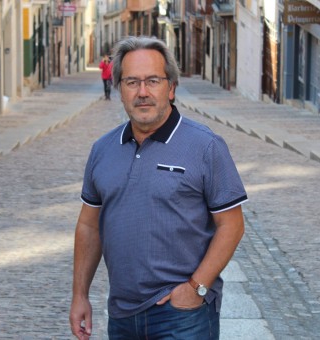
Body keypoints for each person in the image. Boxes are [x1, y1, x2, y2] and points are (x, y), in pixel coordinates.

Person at [69, 36, 248, 340]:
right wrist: (80, 295)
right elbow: (89, 226)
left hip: (183, 317)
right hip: (122, 315)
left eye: (153, 81)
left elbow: (232, 225)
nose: (142, 93)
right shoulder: (102, 149)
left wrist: (196, 288)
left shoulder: (205, 146)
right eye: (131, 82)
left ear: (172, 87)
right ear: (119, 90)